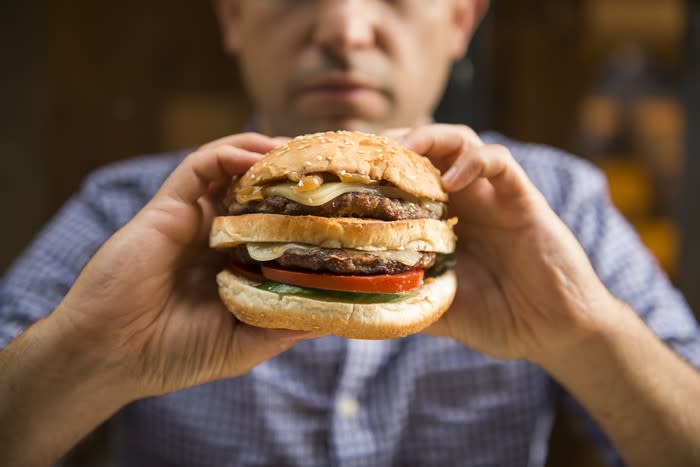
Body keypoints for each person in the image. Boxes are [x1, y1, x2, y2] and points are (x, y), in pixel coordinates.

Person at [1, 1, 699, 465]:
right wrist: (91, 352)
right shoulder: (124, 209)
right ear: (234, 16)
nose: (344, 29)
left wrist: (584, 333)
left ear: (461, 20)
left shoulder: (560, 202)